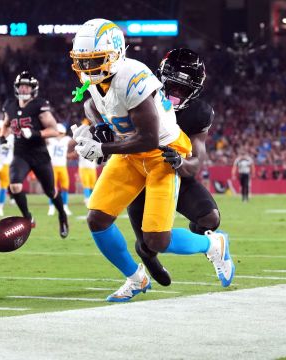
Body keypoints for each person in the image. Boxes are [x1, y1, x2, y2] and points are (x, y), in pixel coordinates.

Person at [70, 19, 234, 302]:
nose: (87, 69)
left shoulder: (134, 78)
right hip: (129, 153)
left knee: (157, 240)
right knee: (97, 218)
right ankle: (136, 278)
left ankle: (213, 243)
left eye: (94, 60)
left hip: (161, 153)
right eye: (82, 62)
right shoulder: (96, 79)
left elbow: (148, 139)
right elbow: (92, 103)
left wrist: (102, 148)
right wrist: (98, 128)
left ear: (114, 55)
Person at [126, 48, 222, 286]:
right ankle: (145, 261)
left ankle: (208, 243)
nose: (176, 93)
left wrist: (180, 162)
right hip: (140, 176)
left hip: (174, 172)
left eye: (183, 89)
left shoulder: (199, 113)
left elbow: (197, 161)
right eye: (173, 86)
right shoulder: (140, 95)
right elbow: (92, 105)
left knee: (210, 219)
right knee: (148, 245)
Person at [0, 71, 68, 238]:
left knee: (50, 191)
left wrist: (35, 133)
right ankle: (27, 217)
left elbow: (54, 130)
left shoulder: (40, 105)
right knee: (14, 185)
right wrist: (2, 138)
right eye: (21, 86)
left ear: (33, 88)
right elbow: (6, 123)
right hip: (20, 153)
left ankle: (62, 215)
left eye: (26, 86)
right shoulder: (10, 104)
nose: (23, 89)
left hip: (39, 154)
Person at [46, 123, 73, 216]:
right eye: (58, 132)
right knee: (52, 188)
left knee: (65, 187)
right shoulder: (50, 140)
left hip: (62, 166)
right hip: (52, 167)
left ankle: (65, 206)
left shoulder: (66, 140)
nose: (59, 135)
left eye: (61, 133)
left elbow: (74, 142)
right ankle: (51, 207)